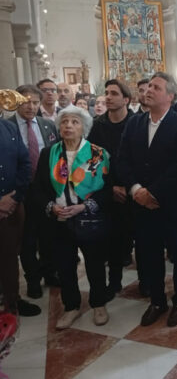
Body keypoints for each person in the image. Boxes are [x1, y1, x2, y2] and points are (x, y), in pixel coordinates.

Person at [118, 72, 177, 328]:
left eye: (156, 87)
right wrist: (137, 190)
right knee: (149, 254)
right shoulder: (135, 123)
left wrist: (153, 193)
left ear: (171, 96)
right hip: (141, 204)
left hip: (171, 204)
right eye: (148, 86)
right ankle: (158, 301)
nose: (149, 90)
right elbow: (123, 159)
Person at [33, 106, 111, 329]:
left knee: (95, 264)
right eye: (65, 122)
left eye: (74, 122)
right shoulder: (49, 153)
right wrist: (51, 207)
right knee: (65, 266)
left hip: (89, 218)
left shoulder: (98, 154)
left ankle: (98, 304)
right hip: (59, 219)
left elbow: (107, 190)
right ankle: (71, 306)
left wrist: (84, 206)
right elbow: (38, 188)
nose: (68, 126)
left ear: (84, 127)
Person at [9, 85, 59, 299]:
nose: (31, 106)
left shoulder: (47, 125)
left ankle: (50, 272)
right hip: (21, 189)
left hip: (46, 189)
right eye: (26, 101)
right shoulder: (7, 126)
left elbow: (57, 154)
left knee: (49, 234)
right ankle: (33, 279)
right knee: (27, 238)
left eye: (35, 102)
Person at [87, 79, 135, 298]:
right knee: (113, 240)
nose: (108, 97)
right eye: (106, 93)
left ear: (126, 99)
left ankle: (147, 282)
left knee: (141, 240)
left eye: (114, 93)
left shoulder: (137, 123)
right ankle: (114, 282)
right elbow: (92, 163)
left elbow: (141, 159)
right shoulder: (98, 126)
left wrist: (129, 186)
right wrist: (111, 187)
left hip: (134, 189)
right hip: (108, 191)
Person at [0, 90, 41, 317]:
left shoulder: (9, 128)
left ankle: (12, 300)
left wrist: (14, 198)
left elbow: (25, 164)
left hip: (12, 205)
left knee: (9, 256)